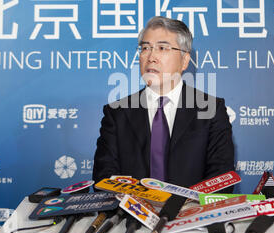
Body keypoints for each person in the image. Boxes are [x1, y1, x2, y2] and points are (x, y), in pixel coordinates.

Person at [92, 16, 235, 190]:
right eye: (145, 48)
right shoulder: (117, 113)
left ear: (184, 61)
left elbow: (221, 180)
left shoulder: (211, 110)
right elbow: (104, 178)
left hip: (193, 215)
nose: (151, 57)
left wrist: (182, 210)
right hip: (132, 214)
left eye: (162, 48)